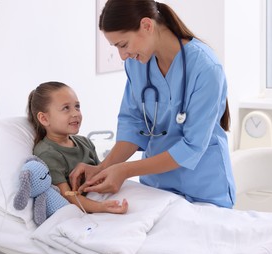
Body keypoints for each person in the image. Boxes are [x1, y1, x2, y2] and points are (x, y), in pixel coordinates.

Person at [70, 0, 236, 208]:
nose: (123, 56)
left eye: (123, 45)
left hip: (203, 190)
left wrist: (125, 170)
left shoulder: (206, 68)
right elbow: (133, 124)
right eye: (116, 48)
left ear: (147, 25)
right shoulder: (137, 64)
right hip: (156, 188)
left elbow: (192, 146)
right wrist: (103, 168)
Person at [27, 81, 128, 214]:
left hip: (101, 197)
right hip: (87, 209)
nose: (75, 113)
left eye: (77, 106)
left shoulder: (85, 142)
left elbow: (103, 175)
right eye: (66, 108)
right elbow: (67, 195)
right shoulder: (47, 153)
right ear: (44, 118)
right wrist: (103, 207)